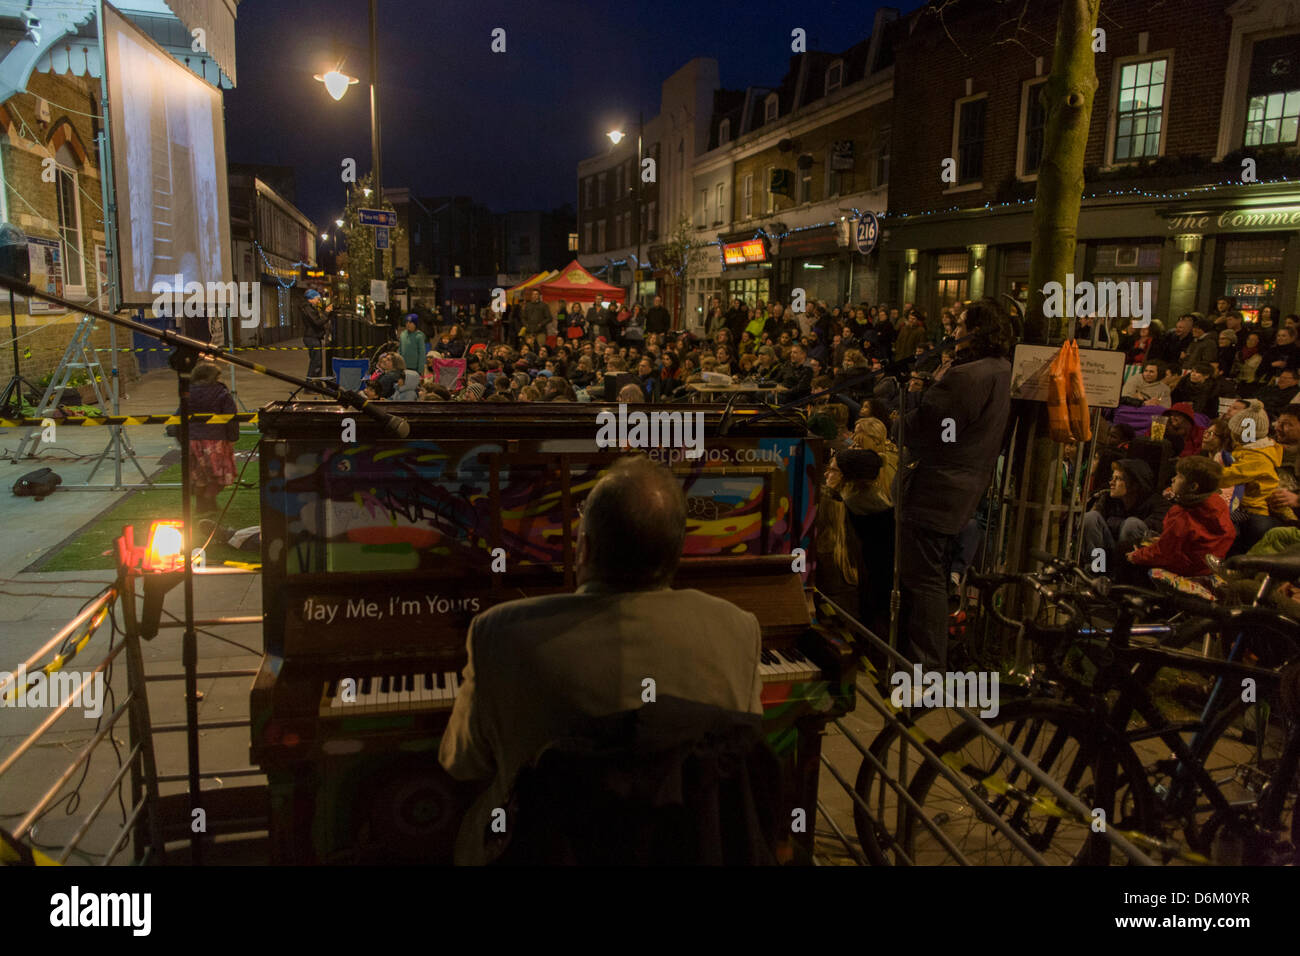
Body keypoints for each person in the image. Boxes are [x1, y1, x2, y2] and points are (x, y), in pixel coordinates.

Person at [439, 456, 764, 865]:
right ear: (678, 551)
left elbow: (462, 763)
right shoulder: (739, 628)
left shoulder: (498, 633)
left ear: (584, 547)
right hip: (680, 846)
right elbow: (740, 749)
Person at [898, 298, 1013, 670]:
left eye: (961, 325)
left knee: (924, 580)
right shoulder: (1001, 369)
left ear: (977, 332)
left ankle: (925, 668)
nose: (954, 332)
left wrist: (913, 405)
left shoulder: (966, 376)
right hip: (963, 486)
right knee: (930, 574)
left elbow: (931, 430)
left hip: (938, 489)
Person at [1127, 457, 1235, 579]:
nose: (1173, 479)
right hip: (1205, 569)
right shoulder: (1217, 502)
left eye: (1179, 476)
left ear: (1193, 487)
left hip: (1186, 570)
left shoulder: (1182, 516)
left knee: (1124, 550)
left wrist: (1136, 556)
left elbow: (1163, 553)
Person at [1082, 458, 1167, 572]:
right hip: (1108, 554)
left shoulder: (1157, 504)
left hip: (1133, 560)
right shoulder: (1109, 498)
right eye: (1112, 478)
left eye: (1118, 479)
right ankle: (1097, 571)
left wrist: (1114, 522)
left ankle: (1122, 578)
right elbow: (1096, 523)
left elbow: (1152, 534)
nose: (1111, 482)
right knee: (1090, 517)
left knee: (1132, 524)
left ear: (1135, 484)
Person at [183, 362, 238, 516]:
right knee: (218, 475)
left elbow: (179, 416)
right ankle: (208, 500)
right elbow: (231, 416)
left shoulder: (188, 393)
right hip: (216, 440)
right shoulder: (221, 392)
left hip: (194, 441)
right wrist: (233, 436)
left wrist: (182, 439)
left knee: (199, 475)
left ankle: (203, 504)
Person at [299, 288, 332, 380]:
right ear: (311, 299)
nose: (318, 301)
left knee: (317, 362)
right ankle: (310, 384)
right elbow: (317, 322)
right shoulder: (308, 308)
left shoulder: (309, 308)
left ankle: (316, 383)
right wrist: (326, 313)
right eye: (317, 299)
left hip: (314, 337)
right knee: (316, 362)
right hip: (312, 337)